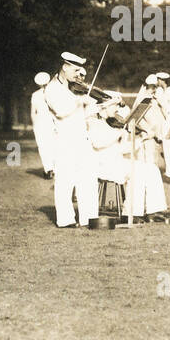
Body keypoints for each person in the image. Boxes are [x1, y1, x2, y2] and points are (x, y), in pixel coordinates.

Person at [43, 51, 106, 228]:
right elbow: (61, 111)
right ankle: (65, 219)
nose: (79, 75)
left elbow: (83, 113)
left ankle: (89, 217)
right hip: (64, 141)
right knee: (65, 181)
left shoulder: (74, 89)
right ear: (65, 67)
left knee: (88, 179)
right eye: (76, 70)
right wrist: (80, 102)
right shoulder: (52, 88)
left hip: (82, 139)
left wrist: (102, 106)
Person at [30, 72, 57, 178]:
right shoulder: (53, 93)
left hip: (40, 123)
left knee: (43, 147)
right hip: (51, 122)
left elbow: (33, 112)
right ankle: (54, 169)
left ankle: (48, 169)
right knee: (53, 145)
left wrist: (34, 125)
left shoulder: (35, 95)